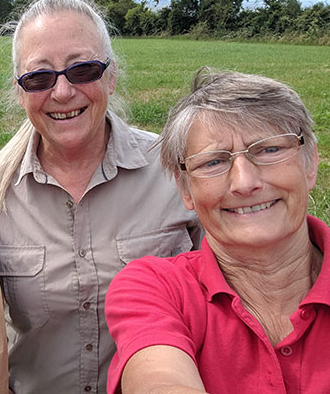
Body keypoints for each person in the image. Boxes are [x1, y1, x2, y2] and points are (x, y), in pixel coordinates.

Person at [0, 0, 200, 394]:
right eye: (40, 78)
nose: (62, 92)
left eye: (83, 69)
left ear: (110, 76)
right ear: (21, 91)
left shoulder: (174, 170)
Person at [105, 67, 330, 394]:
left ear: (310, 163)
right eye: (212, 162)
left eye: (269, 150)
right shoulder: (158, 289)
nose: (245, 183)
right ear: (186, 191)